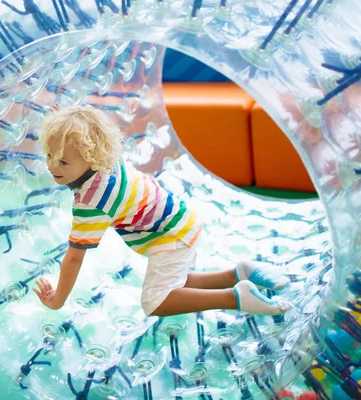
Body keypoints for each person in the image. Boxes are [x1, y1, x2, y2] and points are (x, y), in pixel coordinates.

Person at [32, 104, 291, 317]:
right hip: (180, 219)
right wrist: (60, 122)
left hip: (171, 236)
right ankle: (241, 272)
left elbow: (74, 258)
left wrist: (58, 300)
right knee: (175, 283)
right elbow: (87, 133)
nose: (52, 166)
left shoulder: (91, 202)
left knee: (155, 302)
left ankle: (234, 297)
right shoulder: (107, 160)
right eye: (49, 156)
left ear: (90, 156)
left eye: (63, 161)